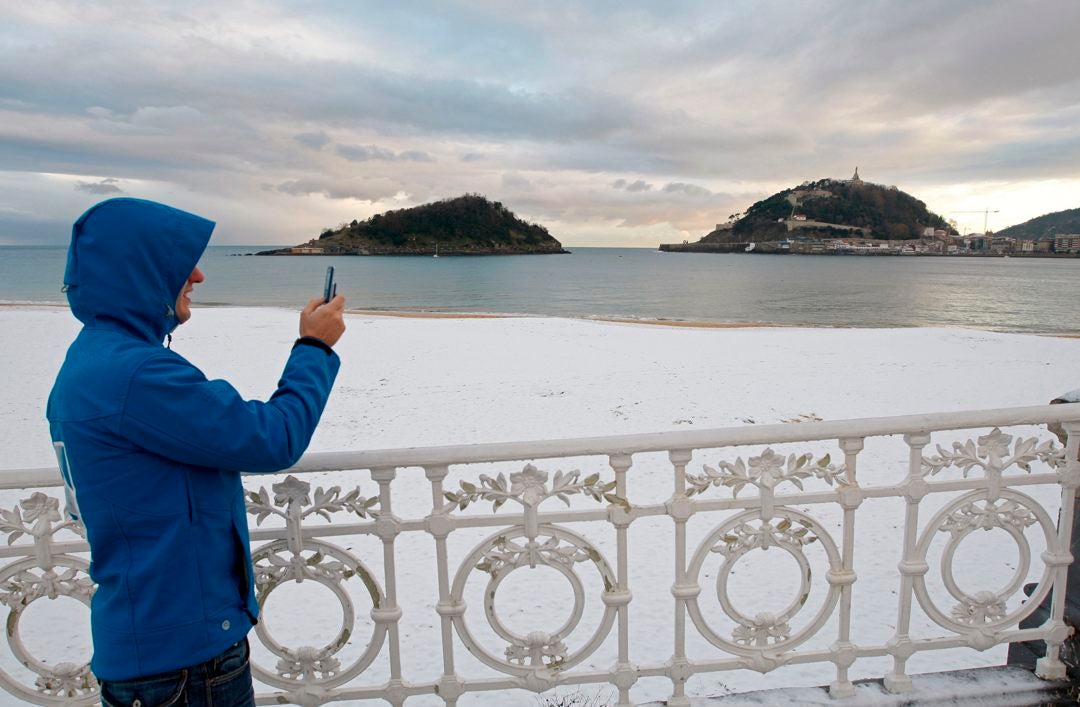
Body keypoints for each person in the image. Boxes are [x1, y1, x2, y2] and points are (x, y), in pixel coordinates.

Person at [47, 198, 346, 706]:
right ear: (139, 271)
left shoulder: (92, 359)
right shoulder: (135, 374)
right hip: (181, 662)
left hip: (153, 641)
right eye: (182, 263)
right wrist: (315, 349)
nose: (199, 276)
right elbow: (273, 438)